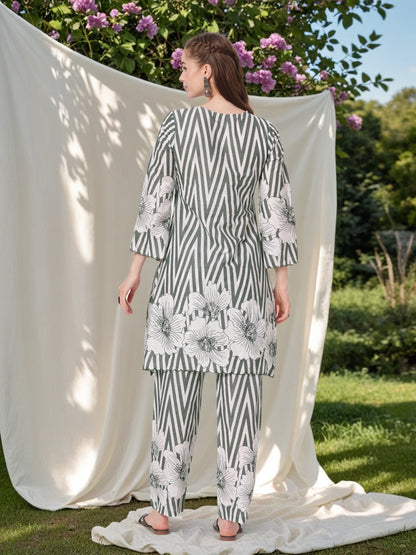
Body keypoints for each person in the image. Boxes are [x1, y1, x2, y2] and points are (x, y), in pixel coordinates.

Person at [118, 31, 298, 541]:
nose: (180, 76)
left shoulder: (178, 125)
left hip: (183, 280)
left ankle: (161, 513)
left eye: (184, 66)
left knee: (174, 400)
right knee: (241, 405)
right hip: (243, 284)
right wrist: (280, 282)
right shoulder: (263, 133)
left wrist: (135, 270)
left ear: (208, 71)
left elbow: (157, 201)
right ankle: (231, 519)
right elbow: (276, 213)